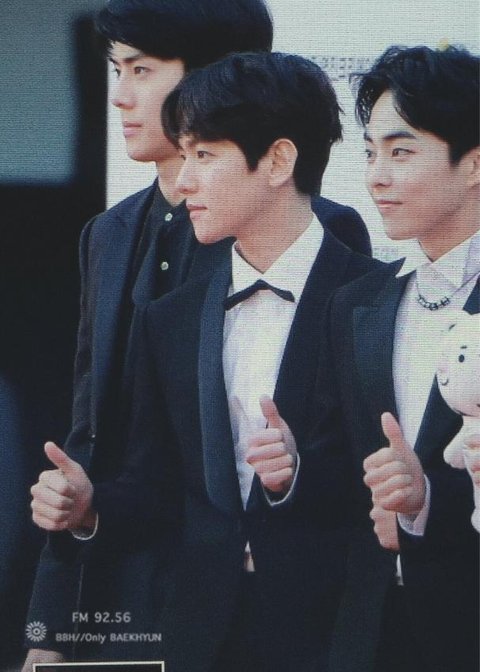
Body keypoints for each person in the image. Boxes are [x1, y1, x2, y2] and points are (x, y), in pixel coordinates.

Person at [24, 1, 372, 667]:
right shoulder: (108, 234)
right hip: (124, 582)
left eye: (141, 70)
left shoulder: (308, 228)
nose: (120, 95)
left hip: (256, 601)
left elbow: (336, 440)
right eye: (116, 70)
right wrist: (51, 623)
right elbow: (87, 438)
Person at [323, 45, 479, 672]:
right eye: (370, 152)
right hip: (372, 631)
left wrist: (428, 503)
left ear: (474, 164)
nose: (376, 177)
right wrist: (290, 472)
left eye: (401, 151)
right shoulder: (358, 303)